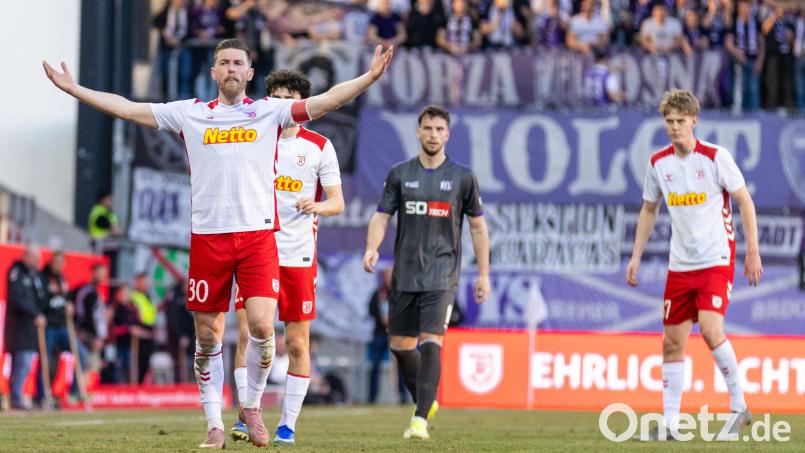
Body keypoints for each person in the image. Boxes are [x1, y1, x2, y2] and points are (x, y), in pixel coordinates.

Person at [44, 37, 392, 449]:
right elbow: (128, 108)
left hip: (258, 236)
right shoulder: (190, 114)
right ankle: (213, 425)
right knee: (209, 337)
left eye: (237, 63)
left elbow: (326, 102)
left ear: (249, 73)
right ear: (214, 72)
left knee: (263, 328)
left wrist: (369, 78)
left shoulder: (268, 112)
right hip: (208, 239)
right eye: (223, 62)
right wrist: (75, 89)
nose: (230, 68)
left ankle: (252, 407)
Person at [626, 89, 762, 441]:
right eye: (668, 121)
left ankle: (738, 407)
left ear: (694, 121)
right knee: (671, 343)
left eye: (680, 121)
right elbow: (649, 209)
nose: (673, 127)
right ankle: (670, 423)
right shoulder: (659, 164)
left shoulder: (716, 157)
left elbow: (745, 202)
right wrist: (636, 256)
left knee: (710, 327)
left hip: (716, 259)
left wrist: (752, 252)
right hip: (680, 265)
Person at [229, 68, 345, 445]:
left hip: (298, 254)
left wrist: (317, 205)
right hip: (256, 253)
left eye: (291, 98)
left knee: (296, 343)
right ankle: (248, 413)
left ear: (303, 104)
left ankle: (288, 425)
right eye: (276, 97)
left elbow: (338, 203)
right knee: (249, 334)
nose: (283, 104)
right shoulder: (255, 139)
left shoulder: (319, 146)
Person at [362, 105, 490, 440]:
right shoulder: (400, 173)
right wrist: (372, 248)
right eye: (427, 128)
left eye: (439, 129)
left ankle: (419, 419)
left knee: (432, 341)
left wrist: (484, 274)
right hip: (405, 275)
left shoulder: (463, 177)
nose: (433, 134)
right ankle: (426, 397)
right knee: (401, 346)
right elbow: (381, 216)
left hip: (442, 273)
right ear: (418, 132)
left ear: (447, 135)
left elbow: (478, 228)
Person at [39, 251, 85, 401]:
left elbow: (67, 298)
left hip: (62, 325)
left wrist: (69, 306)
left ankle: (75, 392)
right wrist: (59, 307)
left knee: (80, 354)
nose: (58, 265)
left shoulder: (62, 279)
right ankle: (43, 396)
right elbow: (42, 301)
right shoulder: (42, 277)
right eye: (56, 261)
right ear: (51, 261)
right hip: (48, 325)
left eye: (61, 262)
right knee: (46, 362)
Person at [4, 245, 45, 410]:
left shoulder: (34, 276)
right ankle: (16, 397)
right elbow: (16, 299)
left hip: (29, 329)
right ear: (27, 256)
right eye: (36, 259)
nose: (38, 262)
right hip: (18, 328)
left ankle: (17, 396)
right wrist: (35, 313)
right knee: (22, 363)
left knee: (25, 364)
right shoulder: (17, 272)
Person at [367, 266, 409, 404]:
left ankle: (402, 395)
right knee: (375, 364)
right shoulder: (378, 294)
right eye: (386, 276)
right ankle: (372, 396)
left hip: (396, 333)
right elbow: (371, 310)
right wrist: (381, 319)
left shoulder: (399, 293)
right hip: (380, 333)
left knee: (401, 365)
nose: (388, 279)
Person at [131, 273, 157, 383]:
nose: (146, 284)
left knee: (147, 365)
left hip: (149, 333)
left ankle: (143, 386)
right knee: (139, 365)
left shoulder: (147, 296)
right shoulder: (133, 297)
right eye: (143, 281)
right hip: (140, 334)